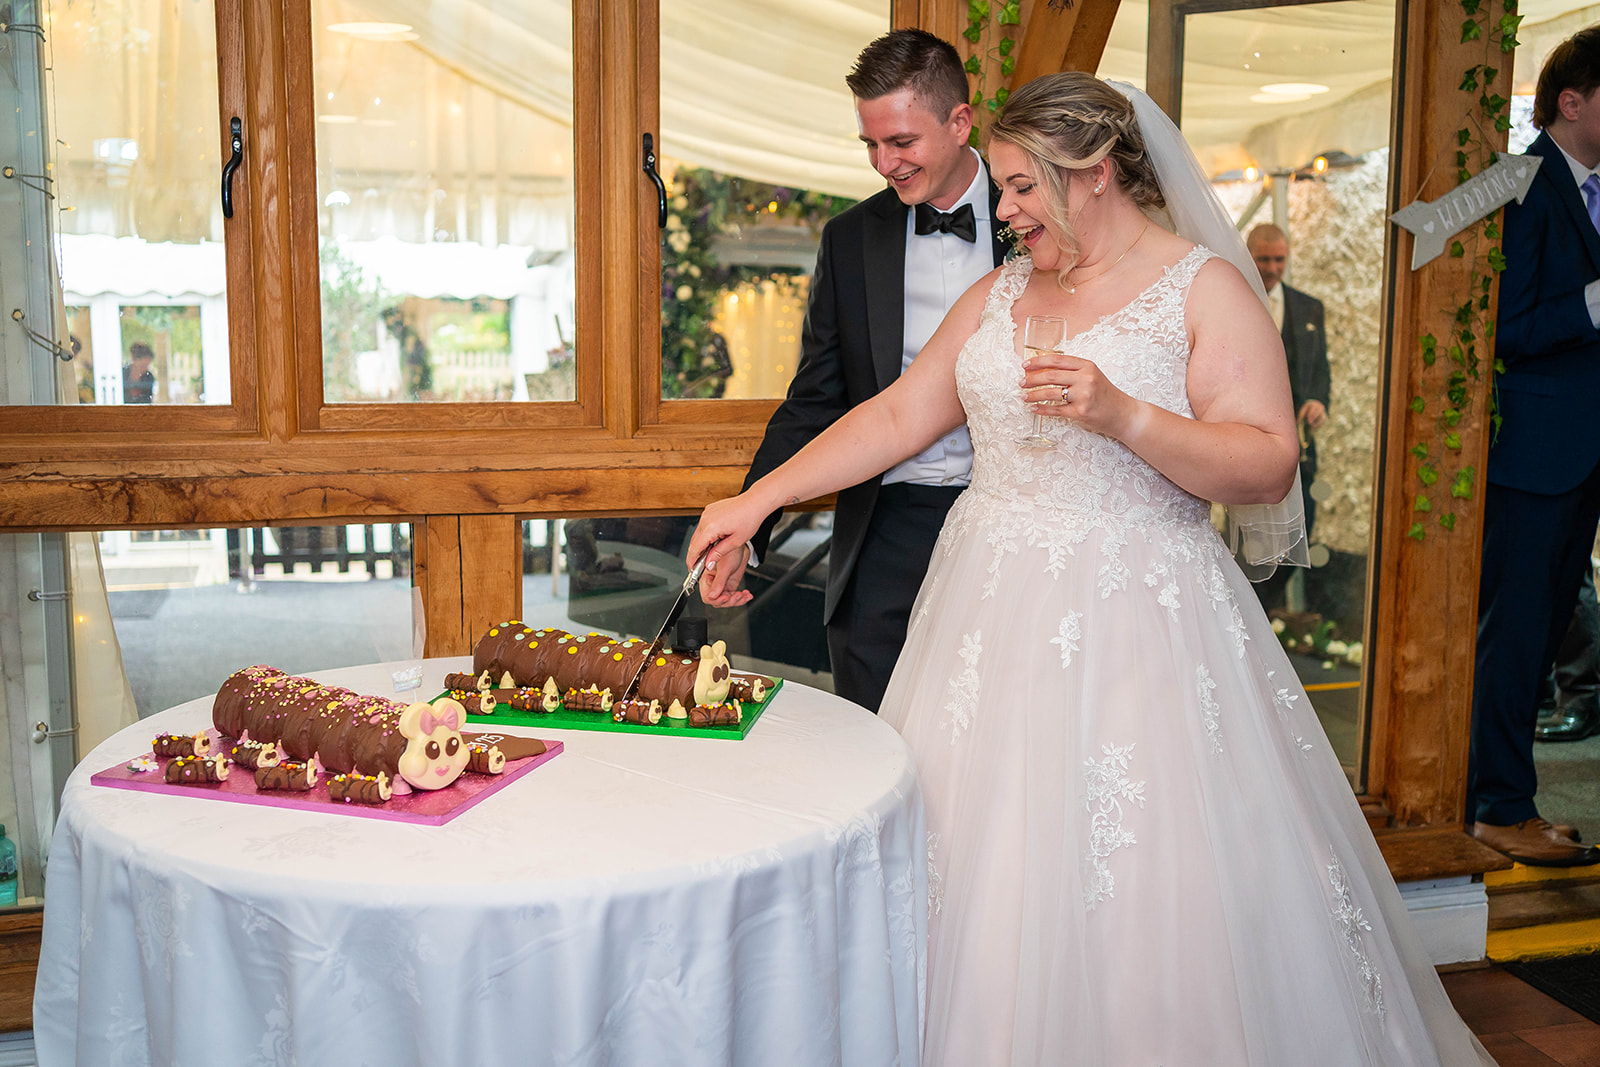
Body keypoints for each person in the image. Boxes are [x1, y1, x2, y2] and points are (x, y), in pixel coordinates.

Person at [689, 73, 1493, 1065]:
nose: (1006, 209)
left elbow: (1266, 459)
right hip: (983, 614)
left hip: (1137, 624)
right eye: (1005, 187)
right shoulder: (1004, 290)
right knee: (981, 867)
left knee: (1140, 878)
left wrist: (1124, 414)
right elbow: (899, 415)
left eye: (1024, 187)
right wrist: (756, 497)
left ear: (1097, 171)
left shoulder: (1200, 288)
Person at [712, 29, 1011, 713]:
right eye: (871, 145)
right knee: (877, 735)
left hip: (1004, 520)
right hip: (886, 528)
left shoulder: (1031, 219)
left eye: (902, 142)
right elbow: (813, 401)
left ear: (960, 121)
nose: (885, 162)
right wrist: (748, 527)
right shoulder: (849, 239)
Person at [1470, 26, 1600, 866]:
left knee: (1549, 630)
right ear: (1572, 100)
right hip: (1534, 455)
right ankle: (1495, 804)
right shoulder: (1515, 183)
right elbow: (1496, 327)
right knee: (1513, 635)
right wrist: (1591, 306)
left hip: (1581, 456)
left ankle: (1508, 794)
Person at [1248, 222, 1329, 534]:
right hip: (1250, 445)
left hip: (1300, 447)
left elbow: (1320, 369)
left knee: (1303, 529)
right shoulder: (1232, 303)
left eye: (1279, 260)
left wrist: (1318, 401)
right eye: (1264, 259)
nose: (1272, 268)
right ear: (1249, 255)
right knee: (1253, 541)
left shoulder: (1310, 308)